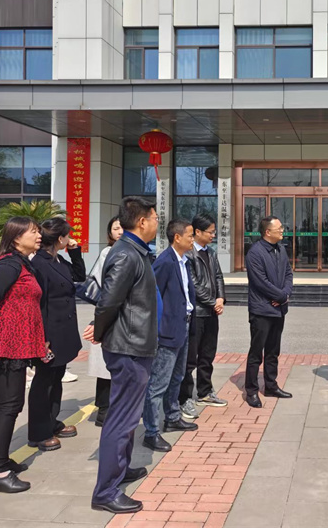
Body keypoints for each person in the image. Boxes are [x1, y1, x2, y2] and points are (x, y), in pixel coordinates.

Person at [84, 196, 159, 514]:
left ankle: (120, 468)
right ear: (142, 221)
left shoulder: (135, 252)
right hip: (128, 348)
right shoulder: (127, 254)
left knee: (128, 417)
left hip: (135, 345)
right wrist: (100, 333)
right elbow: (108, 303)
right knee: (122, 418)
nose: (157, 223)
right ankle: (106, 492)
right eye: (154, 218)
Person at [0, 217, 46, 494]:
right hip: (9, 344)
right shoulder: (9, 264)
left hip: (16, 342)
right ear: (16, 237)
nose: (38, 236)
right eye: (33, 232)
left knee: (0, 404)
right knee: (9, 405)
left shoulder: (22, 263)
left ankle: (0, 461)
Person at [28, 218, 85, 452]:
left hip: (63, 330)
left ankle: (51, 422)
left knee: (56, 378)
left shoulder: (57, 258)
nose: (70, 239)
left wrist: (75, 251)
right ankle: (38, 432)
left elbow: (79, 275)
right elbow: (39, 304)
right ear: (60, 238)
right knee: (44, 383)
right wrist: (43, 338)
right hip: (49, 332)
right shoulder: (39, 263)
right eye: (67, 236)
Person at [142, 218, 199, 452]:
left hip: (183, 326)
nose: (193, 239)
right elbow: (151, 296)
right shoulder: (164, 262)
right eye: (190, 235)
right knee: (158, 383)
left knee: (177, 377)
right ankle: (151, 431)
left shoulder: (184, 261)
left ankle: (173, 417)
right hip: (167, 331)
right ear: (177, 237)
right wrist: (158, 329)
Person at [180, 213, 227, 422]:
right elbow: (193, 284)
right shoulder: (189, 254)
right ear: (197, 232)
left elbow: (218, 276)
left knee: (208, 354)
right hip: (196, 313)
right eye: (210, 232)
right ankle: (184, 398)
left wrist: (221, 298)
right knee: (190, 358)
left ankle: (205, 391)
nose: (213, 235)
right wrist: (212, 301)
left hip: (211, 312)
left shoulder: (211, 253)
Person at [244, 216, 293, 408]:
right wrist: (280, 296)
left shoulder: (281, 249)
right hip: (262, 310)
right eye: (279, 228)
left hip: (278, 309)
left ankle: (271, 386)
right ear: (267, 232)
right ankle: (251, 391)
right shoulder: (255, 253)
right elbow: (260, 282)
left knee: (273, 351)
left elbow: (288, 273)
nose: (282, 230)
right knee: (256, 352)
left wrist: (284, 294)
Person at [85, 216, 123, 427]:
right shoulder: (107, 253)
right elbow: (98, 284)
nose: (119, 231)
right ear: (110, 232)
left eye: (122, 227)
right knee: (105, 367)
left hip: (124, 316)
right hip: (108, 313)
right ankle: (104, 409)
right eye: (115, 228)